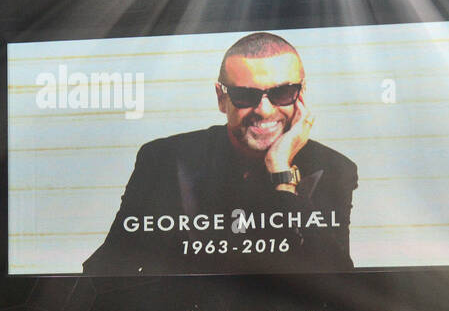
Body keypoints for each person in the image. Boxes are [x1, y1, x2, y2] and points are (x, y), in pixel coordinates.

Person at [83, 32, 357, 274]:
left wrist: (281, 171)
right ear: (220, 97)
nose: (264, 109)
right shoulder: (163, 159)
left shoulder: (334, 168)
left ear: (301, 94)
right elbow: (106, 267)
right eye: (245, 96)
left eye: (283, 92)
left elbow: (339, 280)